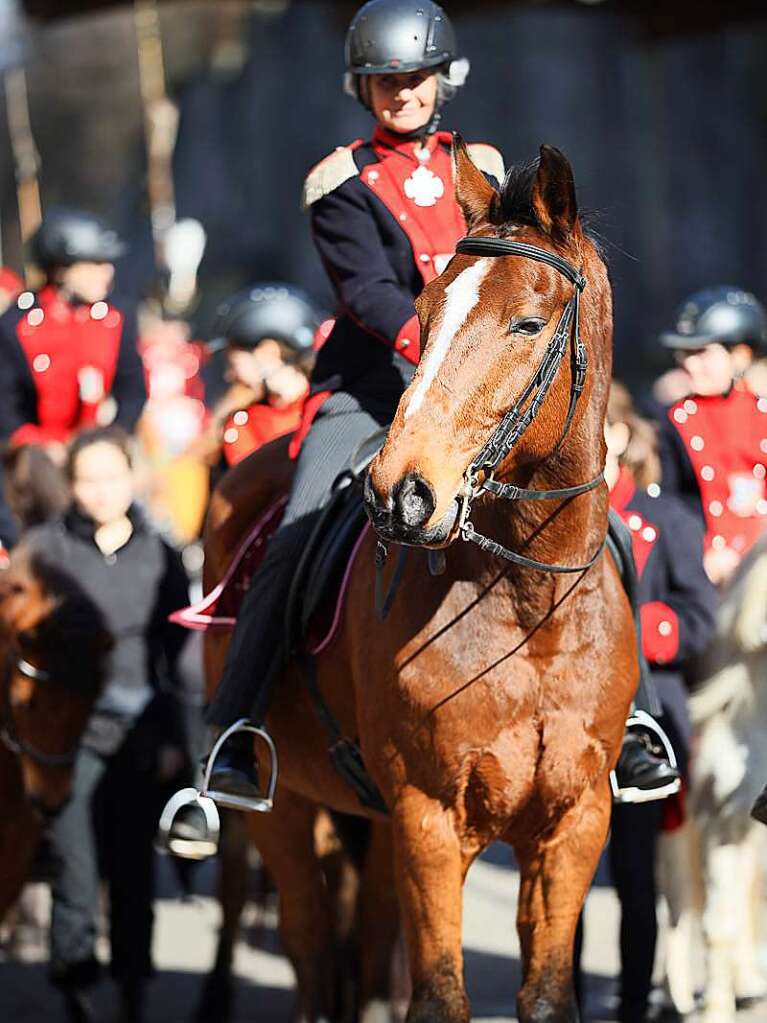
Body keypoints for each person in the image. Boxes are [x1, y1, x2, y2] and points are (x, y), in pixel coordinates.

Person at [192, 0, 505, 808]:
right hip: (371, 390)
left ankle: (636, 722)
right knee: (295, 534)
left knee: (592, 507)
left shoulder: (491, 170)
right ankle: (233, 730)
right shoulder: (338, 178)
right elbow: (366, 289)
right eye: (384, 81)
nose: (401, 92)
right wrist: (434, 354)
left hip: (476, 390)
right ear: (361, 89)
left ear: (443, 79)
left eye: (414, 78)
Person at [23, 427, 190, 1023]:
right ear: (70, 485)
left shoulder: (159, 552)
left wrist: (175, 737)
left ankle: (131, 987)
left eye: (111, 478)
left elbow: (175, 654)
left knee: (131, 868)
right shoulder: (44, 550)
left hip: (141, 730)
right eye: (86, 479)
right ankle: (75, 981)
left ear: (132, 478)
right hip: (67, 739)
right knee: (74, 865)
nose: (99, 491)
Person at [604, 383, 718, 1023]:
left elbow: (698, 619)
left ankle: (630, 1001)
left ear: (617, 439)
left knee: (634, 874)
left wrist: (624, 628)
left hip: (647, 711)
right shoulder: (546, 519)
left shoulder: (666, 517)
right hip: (563, 715)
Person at [0, 209, 146, 461]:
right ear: (60, 270)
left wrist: (113, 439)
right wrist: (42, 449)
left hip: (98, 446)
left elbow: (132, 390)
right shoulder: (17, 324)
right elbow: (5, 407)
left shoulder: (116, 316)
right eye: (94, 263)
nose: (107, 272)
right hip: (34, 456)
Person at [655, 285, 767, 587]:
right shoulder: (669, 422)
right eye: (685, 353)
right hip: (699, 574)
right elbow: (666, 507)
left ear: (741, 356)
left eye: (702, 352)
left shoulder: (762, 415)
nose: (689, 364)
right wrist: (698, 555)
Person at [204, 283, 322, 468]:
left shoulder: (325, 411)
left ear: (269, 352)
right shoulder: (244, 425)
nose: (229, 375)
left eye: (234, 363)